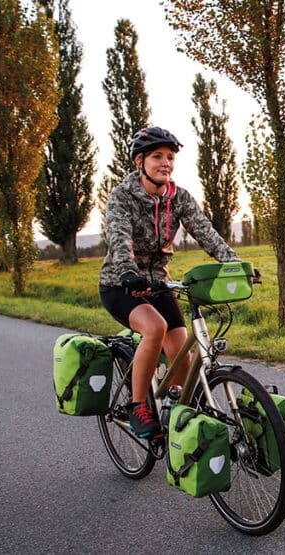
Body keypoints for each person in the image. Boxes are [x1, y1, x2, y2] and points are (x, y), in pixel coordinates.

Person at [99, 127, 240, 438]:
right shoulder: (121, 197)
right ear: (140, 161)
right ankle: (138, 407)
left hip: (159, 284)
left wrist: (234, 263)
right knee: (155, 327)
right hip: (119, 284)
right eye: (157, 157)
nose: (165, 163)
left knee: (182, 356)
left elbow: (206, 233)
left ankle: (175, 416)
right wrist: (126, 272)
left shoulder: (179, 198)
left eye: (171, 158)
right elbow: (120, 239)